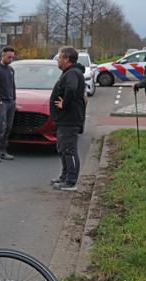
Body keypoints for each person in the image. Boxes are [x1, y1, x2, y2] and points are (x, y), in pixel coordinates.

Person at [49, 46, 86, 192]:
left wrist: (64, 104)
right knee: (63, 148)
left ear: (67, 59)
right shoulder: (70, 72)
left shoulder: (73, 73)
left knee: (69, 149)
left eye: (59, 57)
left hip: (70, 119)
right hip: (65, 119)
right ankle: (64, 176)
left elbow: (71, 89)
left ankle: (71, 182)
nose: (57, 60)